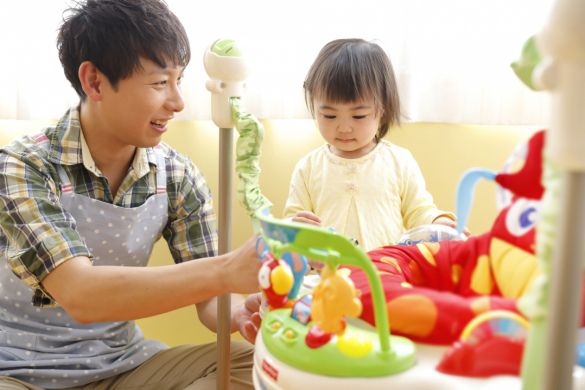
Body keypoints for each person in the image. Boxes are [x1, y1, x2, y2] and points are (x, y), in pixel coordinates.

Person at [0, 1, 262, 389]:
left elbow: (212, 297)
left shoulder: (176, 174)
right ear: (94, 82)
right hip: (18, 371)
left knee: (248, 364)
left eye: (179, 81)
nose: (177, 102)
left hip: (121, 364)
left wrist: (240, 313)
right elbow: (80, 294)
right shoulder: (22, 167)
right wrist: (227, 270)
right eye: (159, 83)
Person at [283, 38, 468, 252]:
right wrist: (293, 228)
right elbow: (290, 222)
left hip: (386, 272)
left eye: (359, 116)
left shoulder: (399, 162)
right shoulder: (308, 168)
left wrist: (438, 223)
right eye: (329, 115)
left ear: (383, 108)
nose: (344, 127)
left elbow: (419, 212)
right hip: (328, 276)